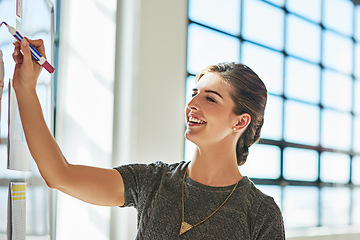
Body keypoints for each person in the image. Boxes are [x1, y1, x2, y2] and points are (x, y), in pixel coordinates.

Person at [12, 38, 285, 239]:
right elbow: (59, 175)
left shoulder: (261, 212)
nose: (192, 104)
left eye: (210, 98)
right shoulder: (152, 182)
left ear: (240, 121)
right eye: (194, 93)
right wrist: (25, 88)